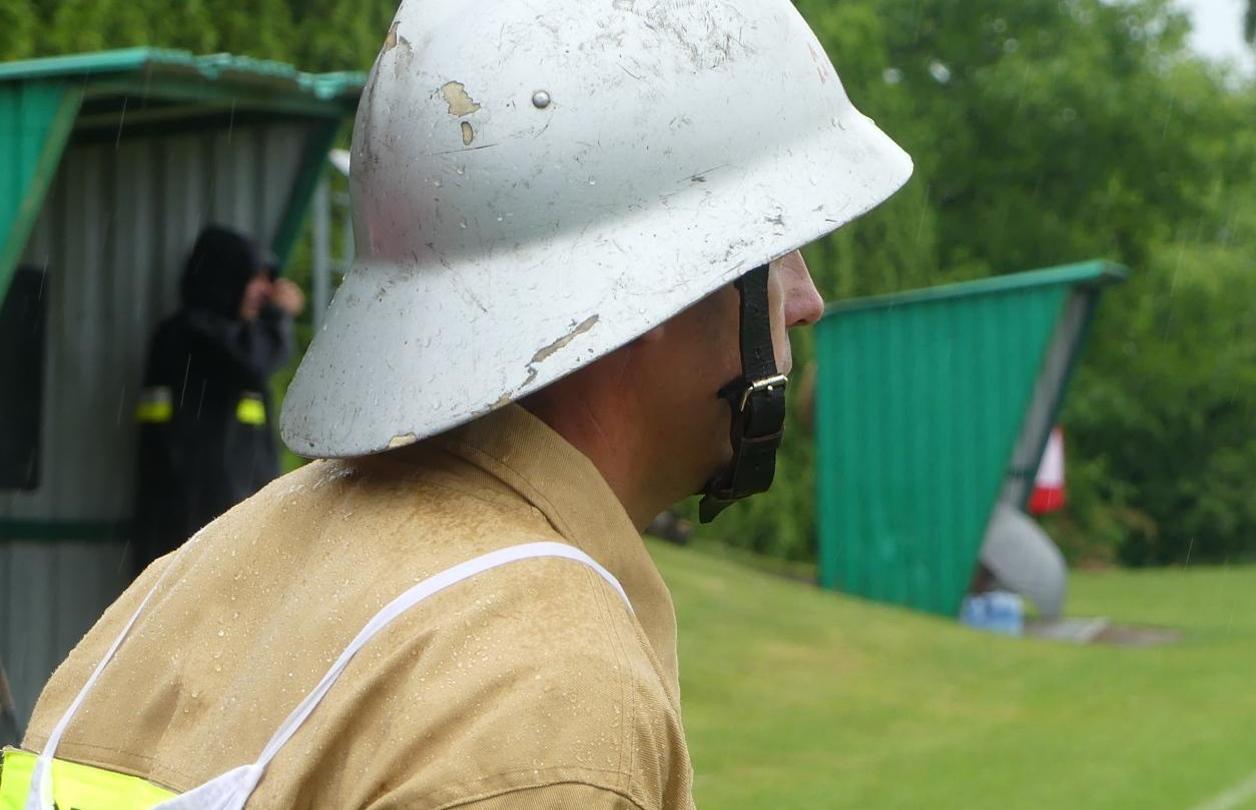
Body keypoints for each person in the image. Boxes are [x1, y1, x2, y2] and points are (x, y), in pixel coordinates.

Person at [6, 0, 911, 807]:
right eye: (778, 246)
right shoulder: (546, 696)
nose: (807, 298)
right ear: (652, 285)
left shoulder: (201, 573)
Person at [131, 225, 303, 570]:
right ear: (227, 278)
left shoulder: (218, 335)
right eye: (257, 279)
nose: (267, 291)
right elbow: (256, 362)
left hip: (223, 524)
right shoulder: (193, 334)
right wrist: (277, 316)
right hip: (197, 527)